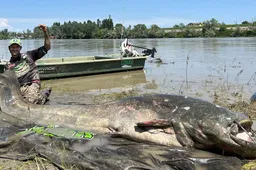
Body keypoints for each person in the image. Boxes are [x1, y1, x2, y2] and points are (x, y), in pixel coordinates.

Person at [5, 24, 51, 104]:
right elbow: (8, 82)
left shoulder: (29, 55)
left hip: (32, 82)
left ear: (20, 48)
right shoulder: (8, 65)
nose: (15, 49)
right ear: (9, 49)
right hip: (19, 87)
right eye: (12, 47)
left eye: (17, 47)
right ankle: (39, 96)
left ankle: (43, 95)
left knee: (30, 102)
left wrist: (45, 32)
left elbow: (47, 47)